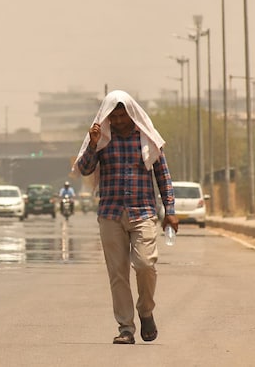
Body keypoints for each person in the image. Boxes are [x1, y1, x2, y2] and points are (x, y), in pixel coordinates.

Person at [72, 90, 177, 345]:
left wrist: (170, 210)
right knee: (117, 273)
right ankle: (126, 327)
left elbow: (162, 175)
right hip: (110, 214)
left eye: (123, 116)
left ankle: (146, 311)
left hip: (143, 212)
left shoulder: (147, 138)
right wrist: (93, 144)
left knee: (145, 265)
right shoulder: (102, 139)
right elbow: (84, 169)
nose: (119, 121)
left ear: (131, 114)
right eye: (114, 117)